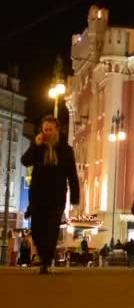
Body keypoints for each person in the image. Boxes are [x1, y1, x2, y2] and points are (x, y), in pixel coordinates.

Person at [21, 116, 80, 274]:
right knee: (37, 229)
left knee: (52, 229)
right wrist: (34, 144)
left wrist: (75, 198)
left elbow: (72, 174)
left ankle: (46, 261)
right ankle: (43, 255)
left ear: (56, 130)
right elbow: (24, 161)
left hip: (56, 196)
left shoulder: (66, 150)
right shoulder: (38, 147)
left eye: (50, 129)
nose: (47, 132)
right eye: (45, 129)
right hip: (38, 196)